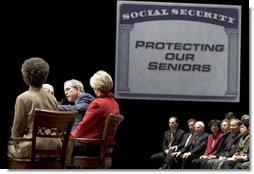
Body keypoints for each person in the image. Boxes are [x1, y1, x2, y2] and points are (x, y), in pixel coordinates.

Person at [8, 57, 61, 159]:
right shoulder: (52, 98)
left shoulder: (23, 98)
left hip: (32, 147)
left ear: (25, 76)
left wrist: (14, 143)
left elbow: (17, 131)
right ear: (45, 75)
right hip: (56, 148)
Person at [70, 70, 120, 156]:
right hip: (107, 147)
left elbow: (84, 125)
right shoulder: (114, 103)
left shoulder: (98, 103)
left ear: (96, 87)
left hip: (92, 147)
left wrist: (70, 136)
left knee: (63, 147)